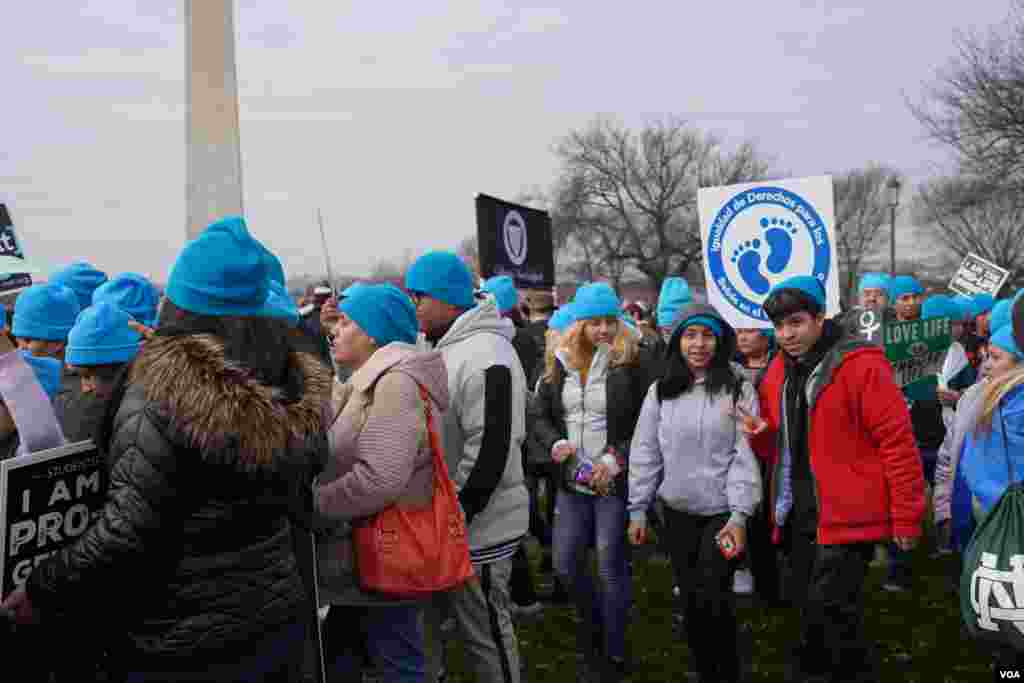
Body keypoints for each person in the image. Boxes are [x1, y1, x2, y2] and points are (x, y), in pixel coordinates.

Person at [3, 216, 333, 680]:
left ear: (182, 302)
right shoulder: (290, 373)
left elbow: (127, 528)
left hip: (178, 633)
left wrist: (43, 585)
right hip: (269, 614)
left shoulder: (161, 386)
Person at [743, 275, 925, 682]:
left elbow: (897, 442)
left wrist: (907, 516)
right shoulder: (778, 369)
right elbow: (786, 444)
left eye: (796, 323)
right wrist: (763, 435)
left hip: (848, 517)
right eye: (778, 326)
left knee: (827, 620)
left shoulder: (861, 364)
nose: (786, 335)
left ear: (820, 317)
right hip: (796, 515)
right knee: (821, 618)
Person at [314, 283, 448, 683]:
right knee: (349, 654)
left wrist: (315, 503)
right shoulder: (371, 378)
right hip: (366, 552)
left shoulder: (396, 384)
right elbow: (345, 415)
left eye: (347, 322)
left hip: (389, 551)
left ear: (373, 332)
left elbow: (380, 478)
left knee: (397, 661)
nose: (335, 330)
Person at [406, 251, 529, 683]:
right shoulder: (442, 346)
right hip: (445, 523)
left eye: (419, 295)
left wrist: (457, 512)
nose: (414, 304)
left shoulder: (487, 353)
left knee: (485, 631)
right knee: (432, 631)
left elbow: (492, 447)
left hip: (480, 525)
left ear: (447, 298)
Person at [628, 304, 761, 683]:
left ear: (720, 342)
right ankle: (704, 669)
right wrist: (637, 508)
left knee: (715, 594)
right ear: (677, 341)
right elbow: (645, 450)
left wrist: (739, 516)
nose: (698, 344)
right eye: (690, 335)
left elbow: (744, 454)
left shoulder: (738, 389)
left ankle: (727, 671)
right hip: (678, 511)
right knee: (691, 599)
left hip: (722, 513)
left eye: (707, 336)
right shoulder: (661, 391)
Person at [531, 283, 651, 682]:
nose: (603, 330)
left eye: (609, 322)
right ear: (579, 324)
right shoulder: (558, 364)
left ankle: (614, 652)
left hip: (611, 483)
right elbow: (541, 417)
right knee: (566, 566)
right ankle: (593, 630)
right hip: (572, 482)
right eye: (595, 322)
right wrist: (557, 443)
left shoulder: (630, 364)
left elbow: (644, 424)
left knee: (609, 564)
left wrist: (615, 459)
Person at [958, 324, 1024, 673]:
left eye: (996, 357)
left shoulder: (1000, 402)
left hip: (998, 515)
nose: (986, 365)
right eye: (986, 356)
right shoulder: (997, 399)